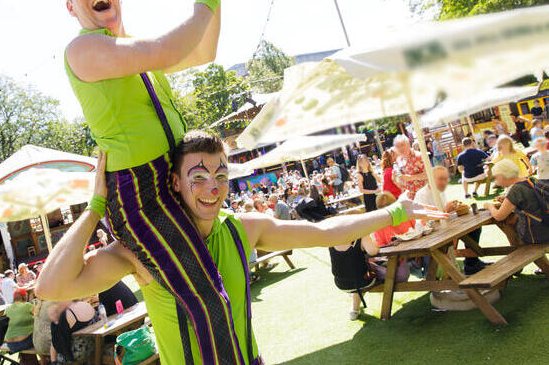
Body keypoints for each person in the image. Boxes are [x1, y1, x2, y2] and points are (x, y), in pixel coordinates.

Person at [36, 131, 446, 365]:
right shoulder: (144, 252)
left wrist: (395, 212)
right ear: (175, 183)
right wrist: (95, 207)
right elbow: (50, 288)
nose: (213, 187)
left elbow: (325, 232)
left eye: (220, 174)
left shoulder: (241, 229)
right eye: (197, 176)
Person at [60, 0, 260, 360]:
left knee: (215, 292)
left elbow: (203, 52)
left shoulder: (137, 54)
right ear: (71, 7)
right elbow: (168, 49)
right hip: (142, 195)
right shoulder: (82, 48)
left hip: (176, 179)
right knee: (208, 298)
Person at [415, 166, 490, 274]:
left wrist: (454, 208)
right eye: (441, 179)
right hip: (431, 234)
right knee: (464, 233)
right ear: (431, 179)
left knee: (474, 228)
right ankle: (467, 265)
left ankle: (472, 262)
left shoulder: (439, 191)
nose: (444, 182)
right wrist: (446, 210)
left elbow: (444, 211)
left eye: (445, 179)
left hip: (444, 227)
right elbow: (427, 220)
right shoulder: (422, 195)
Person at [485, 159, 549, 245]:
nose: (495, 181)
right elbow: (531, 200)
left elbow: (499, 216)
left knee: (509, 223)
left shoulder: (515, 189)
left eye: (496, 177)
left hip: (535, 235)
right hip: (545, 227)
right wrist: (507, 199)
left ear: (502, 176)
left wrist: (489, 206)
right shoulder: (529, 180)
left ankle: (517, 250)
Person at [328, 233, 379, 320]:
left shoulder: (331, 239)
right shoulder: (361, 235)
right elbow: (373, 251)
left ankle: (354, 308)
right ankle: (354, 309)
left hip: (341, 283)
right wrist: (375, 243)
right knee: (375, 270)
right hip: (363, 281)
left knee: (355, 275)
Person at [393, 134, 428, 200]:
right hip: (409, 199)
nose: (400, 148)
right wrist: (395, 179)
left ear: (408, 144)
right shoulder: (399, 160)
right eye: (397, 146)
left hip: (423, 196)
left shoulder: (419, 156)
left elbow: (429, 174)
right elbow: (401, 182)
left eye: (402, 145)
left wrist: (411, 177)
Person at [3, 289, 34, 353]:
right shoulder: (27, 305)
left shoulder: (7, 309)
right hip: (25, 342)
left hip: (11, 345)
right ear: (25, 297)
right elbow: (39, 316)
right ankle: (44, 361)